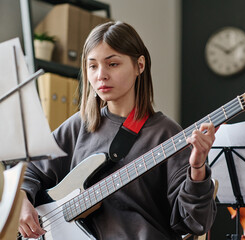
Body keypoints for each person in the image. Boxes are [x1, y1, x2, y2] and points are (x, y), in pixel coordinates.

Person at [18, 21, 217, 240]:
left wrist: (197, 169)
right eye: (92, 66)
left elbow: (196, 223)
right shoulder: (80, 125)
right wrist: (22, 199)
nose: (101, 75)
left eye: (112, 64)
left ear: (139, 65)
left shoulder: (167, 134)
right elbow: (32, 169)